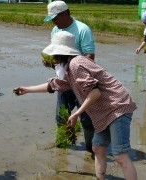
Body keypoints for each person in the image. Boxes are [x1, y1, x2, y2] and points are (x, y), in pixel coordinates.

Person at [14, 31, 137, 180]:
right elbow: (54, 85)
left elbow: (95, 93)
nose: (52, 58)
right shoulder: (69, 69)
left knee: (119, 155)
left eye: (54, 54)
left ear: (60, 53)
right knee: (98, 148)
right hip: (105, 111)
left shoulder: (76, 64)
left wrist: (77, 113)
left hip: (117, 107)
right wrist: (27, 90)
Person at [44, 0, 95, 156]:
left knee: (86, 118)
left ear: (65, 13)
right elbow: (56, 53)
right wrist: (50, 61)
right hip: (63, 81)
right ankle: (61, 145)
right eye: (52, 19)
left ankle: (90, 148)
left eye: (55, 18)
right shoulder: (55, 30)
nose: (54, 22)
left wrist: (73, 70)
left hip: (81, 83)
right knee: (61, 115)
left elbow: (90, 56)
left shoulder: (82, 29)